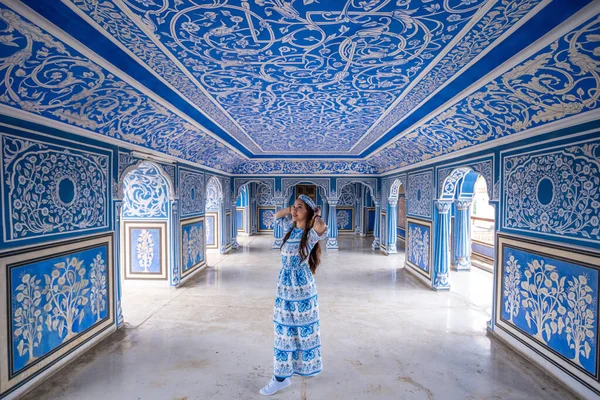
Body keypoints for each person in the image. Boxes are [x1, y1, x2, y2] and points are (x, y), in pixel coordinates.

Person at [259, 194, 328, 396]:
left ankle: (283, 376)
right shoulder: (290, 230)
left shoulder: (310, 234)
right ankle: (281, 377)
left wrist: (316, 214)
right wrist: (293, 208)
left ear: (308, 213)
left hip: (302, 291)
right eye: (293, 207)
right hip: (284, 290)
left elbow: (322, 226)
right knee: (283, 332)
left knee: (302, 332)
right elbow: (275, 215)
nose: (294, 210)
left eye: (299, 208)